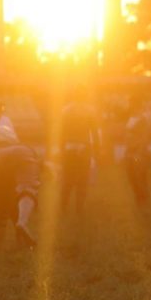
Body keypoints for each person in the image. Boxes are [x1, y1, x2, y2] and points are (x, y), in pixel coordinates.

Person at [59, 86, 101, 214]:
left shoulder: (65, 110)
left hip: (68, 148)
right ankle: (79, 209)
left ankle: (63, 208)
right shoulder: (90, 111)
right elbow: (94, 132)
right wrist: (97, 151)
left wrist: (61, 150)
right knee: (82, 181)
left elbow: (61, 132)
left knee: (67, 180)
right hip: (84, 148)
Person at [124, 100, 151, 206]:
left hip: (138, 152)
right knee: (131, 175)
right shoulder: (131, 119)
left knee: (139, 175)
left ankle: (142, 198)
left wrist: (140, 151)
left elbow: (144, 136)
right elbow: (127, 136)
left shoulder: (142, 119)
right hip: (130, 151)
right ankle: (140, 195)